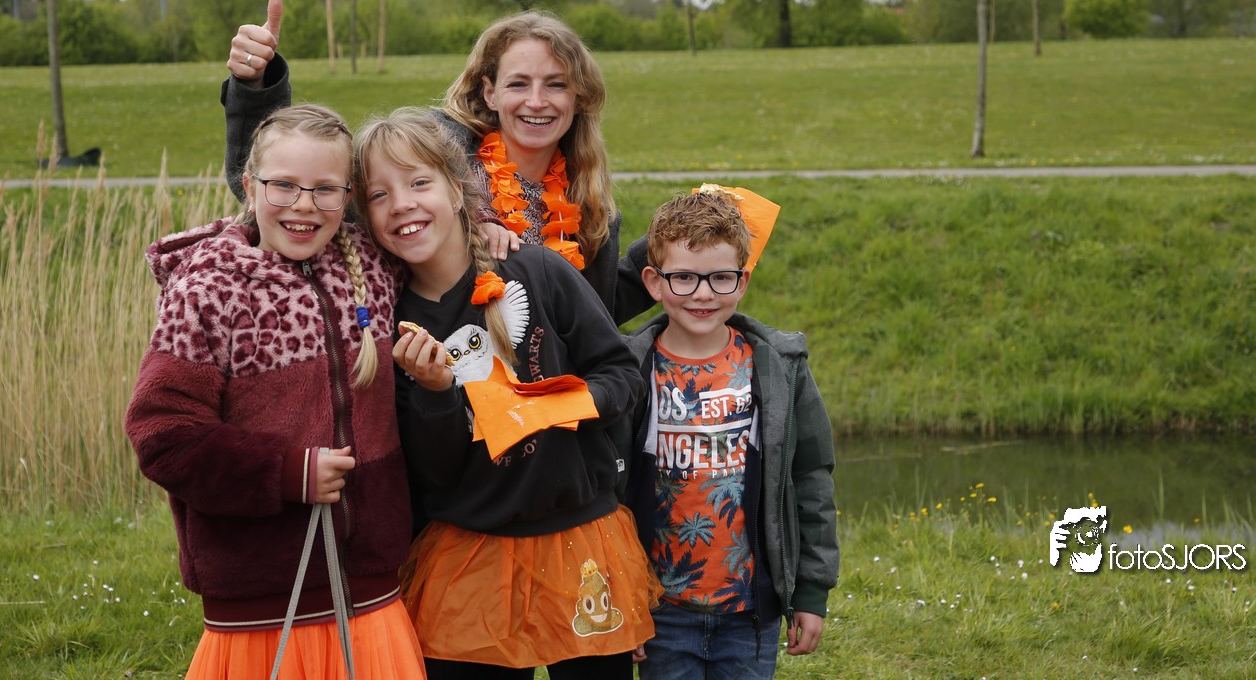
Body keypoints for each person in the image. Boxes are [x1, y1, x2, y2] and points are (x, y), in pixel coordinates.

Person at [125, 104, 425, 679]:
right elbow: (162, 434)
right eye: (283, 185)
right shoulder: (207, 293)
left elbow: (437, 221)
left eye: (324, 189)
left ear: (348, 195)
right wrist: (287, 474)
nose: (303, 205)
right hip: (259, 600)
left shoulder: (375, 265)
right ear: (249, 185)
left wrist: (488, 227)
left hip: (371, 592)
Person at [355, 107, 655, 680]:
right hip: (470, 555)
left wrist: (550, 408)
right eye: (378, 195)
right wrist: (436, 393)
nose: (402, 205)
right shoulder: (389, 324)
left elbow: (621, 374)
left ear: (458, 189)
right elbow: (434, 471)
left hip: (580, 541)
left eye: (419, 183)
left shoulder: (537, 270)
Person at [222, 0, 651, 324]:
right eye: (519, 83)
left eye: (556, 84)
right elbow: (297, 183)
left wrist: (671, 250)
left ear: (578, 96)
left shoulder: (588, 205)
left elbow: (595, 315)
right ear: (490, 92)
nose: (536, 101)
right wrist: (256, 85)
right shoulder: (433, 171)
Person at [625, 191, 839, 679]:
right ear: (654, 282)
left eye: (720, 277)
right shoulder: (629, 369)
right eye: (684, 277)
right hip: (659, 613)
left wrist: (811, 592)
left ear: (742, 281)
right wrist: (623, 599)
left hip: (749, 613)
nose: (703, 294)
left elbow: (812, 479)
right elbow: (606, 494)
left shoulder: (779, 368)